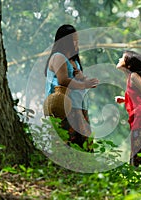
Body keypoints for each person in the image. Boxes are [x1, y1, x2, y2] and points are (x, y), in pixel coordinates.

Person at [44, 24, 99, 152]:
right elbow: (63, 80)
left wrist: (84, 79)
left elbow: (76, 78)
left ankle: (84, 169)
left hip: (78, 106)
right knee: (68, 141)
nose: (76, 42)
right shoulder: (58, 57)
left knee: (84, 141)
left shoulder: (74, 60)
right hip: (64, 106)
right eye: (73, 39)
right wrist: (84, 85)